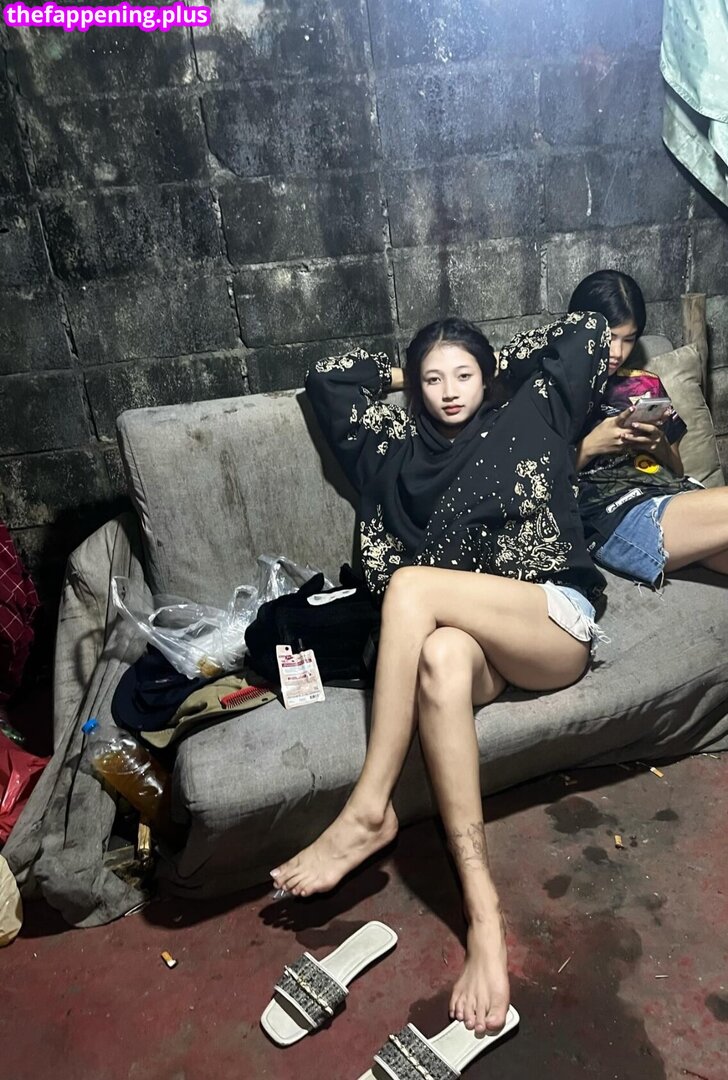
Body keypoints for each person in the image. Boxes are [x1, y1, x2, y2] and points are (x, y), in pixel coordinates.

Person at [270, 313, 611, 1036]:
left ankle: (369, 809)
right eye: (434, 380)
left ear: (486, 375)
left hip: (549, 624)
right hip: (475, 647)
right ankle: (484, 917)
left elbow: (586, 330)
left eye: (463, 375)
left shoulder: (531, 412)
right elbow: (326, 380)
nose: (450, 391)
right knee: (441, 657)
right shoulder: (394, 448)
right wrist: (407, 368)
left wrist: (486, 366)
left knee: (411, 587)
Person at [569, 269, 728, 585]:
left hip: (673, 494)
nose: (617, 352)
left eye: (628, 339)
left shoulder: (646, 385)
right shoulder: (554, 389)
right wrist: (591, 446)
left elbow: (677, 470)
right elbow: (535, 485)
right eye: (609, 337)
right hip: (617, 515)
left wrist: (659, 446)